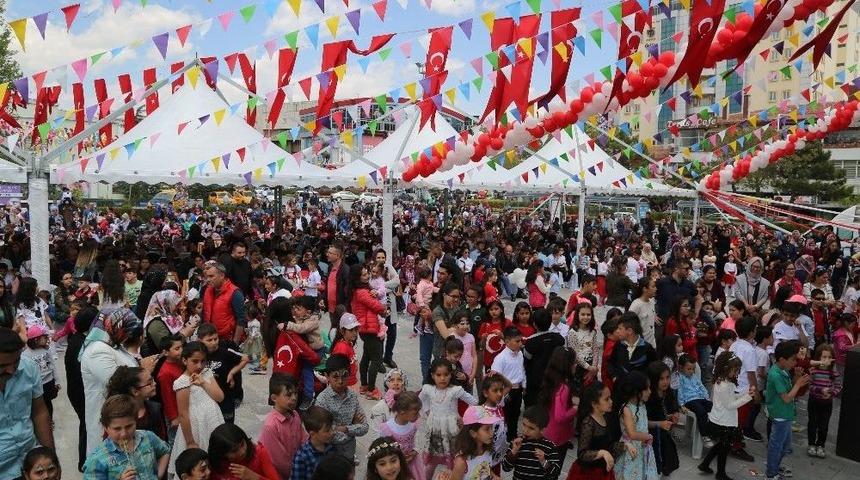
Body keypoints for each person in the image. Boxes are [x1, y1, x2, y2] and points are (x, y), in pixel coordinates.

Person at [81, 308, 145, 455]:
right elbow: (117, 383)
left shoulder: (114, 345)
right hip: (110, 416)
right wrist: (143, 372)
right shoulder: (98, 351)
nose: (130, 336)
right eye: (128, 331)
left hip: (124, 415)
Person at [0, 327, 54, 479]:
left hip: (30, 463)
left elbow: (39, 413)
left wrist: (50, 458)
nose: (11, 370)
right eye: (2, 366)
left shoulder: (28, 368)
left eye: (15, 362)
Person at [82, 394, 171, 480]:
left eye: (129, 426)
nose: (124, 433)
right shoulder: (97, 460)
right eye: (117, 429)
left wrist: (158, 476)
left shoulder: (148, 437)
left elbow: (165, 451)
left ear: (136, 422)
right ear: (105, 428)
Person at [169, 342, 225, 475]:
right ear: (184, 360)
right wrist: (190, 442)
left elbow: (220, 397)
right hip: (196, 426)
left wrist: (203, 383)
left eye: (203, 361)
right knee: (198, 462)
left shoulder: (206, 373)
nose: (199, 366)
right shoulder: (182, 382)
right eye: (194, 361)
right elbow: (183, 414)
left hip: (213, 420)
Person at [419, 358, 479, 478]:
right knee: (431, 463)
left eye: (446, 375)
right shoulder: (428, 389)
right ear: (432, 375)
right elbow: (420, 401)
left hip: (452, 432)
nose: (442, 378)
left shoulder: (455, 390)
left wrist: (466, 419)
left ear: (451, 375)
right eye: (438, 375)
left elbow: (474, 402)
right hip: (435, 432)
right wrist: (427, 412)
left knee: (453, 462)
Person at [698, 351, 752, 480]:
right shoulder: (723, 385)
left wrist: (746, 394)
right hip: (723, 421)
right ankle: (720, 474)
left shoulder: (726, 381)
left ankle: (705, 465)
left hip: (723, 419)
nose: (737, 373)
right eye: (735, 370)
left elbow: (732, 397)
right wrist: (748, 397)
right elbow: (730, 405)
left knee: (721, 446)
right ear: (726, 368)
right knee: (724, 449)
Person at [765, 341, 810, 480]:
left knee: (785, 447)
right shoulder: (776, 374)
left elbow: (788, 391)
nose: (795, 363)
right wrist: (798, 383)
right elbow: (786, 398)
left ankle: (774, 467)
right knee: (777, 446)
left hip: (786, 414)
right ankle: (771, 473)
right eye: (793, 359)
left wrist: (796, 378)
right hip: (780, 415)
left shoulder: (783, 370)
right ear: (782, 359)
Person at [566, 382, 625, 480]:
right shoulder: (588, 423)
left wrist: (625, 446)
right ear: (594, 404)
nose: (611, 401)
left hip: (603, 471)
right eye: (606, 399)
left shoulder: (606, 417)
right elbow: (582, 454)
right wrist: (602, 453)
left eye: (610, 398)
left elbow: (608, 445)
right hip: (588, 473)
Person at [314, 353, 369, 460]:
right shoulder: (322, 400)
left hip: (349, 451)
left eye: (344, 375)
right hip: (330, 452)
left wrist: (343, 428)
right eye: (335, 376)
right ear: (327, 376)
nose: (340, 381)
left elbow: (365, 427)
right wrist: (353, 425)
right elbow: (325, 433)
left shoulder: (352, 396)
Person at [350, 264, 388, 400]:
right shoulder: (362, 292)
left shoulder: (361, 290)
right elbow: (377, 306)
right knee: (377, 359)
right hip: (369, 328)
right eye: (364, 275)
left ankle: (365, 385)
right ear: (357, 278)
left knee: (366, 356)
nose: (367, 276)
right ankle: (371, 389)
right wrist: (384, 308)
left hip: (366, 328)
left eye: (367, 273)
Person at [197, 322, 248, 424]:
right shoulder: (198, 355)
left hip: (226, 398)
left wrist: (232, 373)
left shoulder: (225, 352)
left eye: (216, 339)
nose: (214, 342)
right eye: (209, 340)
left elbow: (245, 359)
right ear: (200, 341)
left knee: (227, 426)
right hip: (208, 398)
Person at [258, 373, 305, 480]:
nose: (294, 398)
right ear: (274, 398)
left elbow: (304, 439)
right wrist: (297, 471)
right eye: (288, 395)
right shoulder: (271, 426)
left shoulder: (295, 415)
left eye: (295, 393)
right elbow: (280, 461)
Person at [612, 371, 657, 480]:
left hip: (642, 447)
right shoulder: (627, 409)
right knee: (631, 475)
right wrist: (648, 436)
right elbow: (632, 434)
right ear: (636, 390)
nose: (650, 392)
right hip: (631, 449)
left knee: (641, 473)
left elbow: (643, 423)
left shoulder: (642, 405)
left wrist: (660, 424)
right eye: (646, 389)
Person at [540, 346, 579, 466]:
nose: (576, 365)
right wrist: (576, 407)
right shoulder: (563, 387)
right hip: (557, 437)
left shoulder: (551, 380)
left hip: (547, 431)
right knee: (553, 470)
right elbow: (560, 416)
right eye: (574, 362)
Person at [502, 405, 562, 480]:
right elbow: (505, 467)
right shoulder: (516, 443)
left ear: (542, 430)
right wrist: (513, 452)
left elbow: (555, 473)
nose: (525, 430)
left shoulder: (550, 447)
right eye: (524, 425)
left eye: (531, 428)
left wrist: (544, 462)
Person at [105, 366, 165, 440]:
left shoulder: (154, 409)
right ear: (135, 391)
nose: (154, 383)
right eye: (149, 383)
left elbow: (162, 438)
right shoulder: (115, 414)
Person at [522, 308, 564, 407]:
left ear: (534, 324)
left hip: (535, 381)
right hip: (554, 378)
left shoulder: (530, 342)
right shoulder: (558, 338)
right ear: (550, 322)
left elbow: (526, 362)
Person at [490, 326, 526, 442]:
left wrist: (524, 386)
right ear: (507, 342)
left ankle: (512, 438)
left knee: (515, 415)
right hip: (507, 392)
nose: (520, 343)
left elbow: (522, 371)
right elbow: (496, 379)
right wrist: (501, 395)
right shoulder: (500, 358)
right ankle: (501, 440)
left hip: (518, 390)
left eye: (521, 340)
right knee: (505, 416)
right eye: (517, 341)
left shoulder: (520, 354)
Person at [207, 423, 279, 480]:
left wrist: (254, 477)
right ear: (222, 454)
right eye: (234, 451)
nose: (243, 451)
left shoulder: (259, 452)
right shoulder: (216, 465)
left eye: (242, 444)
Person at [445, 405, 499, 480]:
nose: (492, 433)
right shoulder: (462, 462)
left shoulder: (486, 449)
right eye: (487, 429)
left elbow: (486, 467)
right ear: (473, 433)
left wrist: (494, 476)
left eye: (491, 428)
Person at [645, 362, 680, 477]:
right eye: (661, 379)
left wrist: (673, 415)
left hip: (664, 436)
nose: (665, 381)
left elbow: (672, 408)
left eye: (667, 377)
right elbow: (642, 422)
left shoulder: (668, 392)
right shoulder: (648, 397)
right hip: (650, 439)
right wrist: (660, 423)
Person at [378, 392, 424, 479]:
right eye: (415, 413)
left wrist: (415, 451)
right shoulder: (387, 428)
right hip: (396, 465)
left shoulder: (414, 424)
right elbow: (383, 450)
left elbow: (420, 439)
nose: (418, 415)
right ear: (402, 413)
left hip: (413, 463)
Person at [807, 343, 840, 459]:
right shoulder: (813, 370)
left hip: (827, 403)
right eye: (823, 357)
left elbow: (838, 386)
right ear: (818, 358)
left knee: (824, 425)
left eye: (828, 357)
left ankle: (820, 445)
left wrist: (831, 393)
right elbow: (809, 386)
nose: (826, 360)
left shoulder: (833, 372)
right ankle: (811, 444)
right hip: (814, 401)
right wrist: (820, 390)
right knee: (812, 423)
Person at [202, 262, 246, 344]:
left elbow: (241, 320)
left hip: (227, 339)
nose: (208, 279)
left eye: (211, 276)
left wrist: (234, 343)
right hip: (209, 338)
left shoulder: (235, 292)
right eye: (207, 276)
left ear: (222, 275)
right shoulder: (208, 289)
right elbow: (204, 312)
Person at [22, 325, 59, 421]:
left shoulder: (46, 350)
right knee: (38, 405)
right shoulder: (25, 355)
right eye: (44, 337)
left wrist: (57, 381)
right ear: (35, 340)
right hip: (37, 385)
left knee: (48, 403)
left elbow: (53, 366)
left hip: (49, 382)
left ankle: (49, 420)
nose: (46, 339)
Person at [607, 312, 657, 382]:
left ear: (630, 331)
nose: (617, 331)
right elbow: (611, 363)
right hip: (621, 389)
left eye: (620, 328)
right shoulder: (618, 345)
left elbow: (654, 370)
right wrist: (614, 377)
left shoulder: (647, 348)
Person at [292, 406, 335, 480]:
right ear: (313, 434)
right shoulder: (301, 457)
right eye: (327, 430)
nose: (332, 432)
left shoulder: (332, 447)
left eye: (332, 428)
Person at [677, 354, 712, 446]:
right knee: (701, 412)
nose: (692, 371)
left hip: (700, 398)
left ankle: (713, 431)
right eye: (689, 369)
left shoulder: (694, 377)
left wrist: (707, 398)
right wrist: (681, 405)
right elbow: (679, 391)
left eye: (693, 369)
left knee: (714, 408)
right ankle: (704, 435)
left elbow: (701, 387)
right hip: (690, 401)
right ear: (681, 368)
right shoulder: (680, 378)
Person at [566, 302, 599, 387]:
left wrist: (594, 367)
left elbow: (595, 350)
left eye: (588, 314)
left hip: (592, 365)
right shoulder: (573, 332)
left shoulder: (593, 331)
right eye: (583, 314)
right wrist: (588, 368)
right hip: (579, 368)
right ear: (577, 315)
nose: (586, 317)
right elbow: (575, 354)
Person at [628, 277, 658, 347]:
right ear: (645, 289)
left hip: (651, 343)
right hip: (639, 345)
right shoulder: (636, 305)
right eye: (653, 287)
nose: (656, 289)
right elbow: (628, 324)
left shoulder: (652, 301)